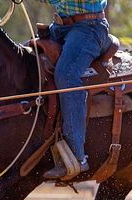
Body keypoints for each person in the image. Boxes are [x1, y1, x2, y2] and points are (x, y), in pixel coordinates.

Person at [38, 0, 113, 179]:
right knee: (27, 64)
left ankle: (75, 156)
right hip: (59, 27)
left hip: (89, 27)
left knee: (67, 76)